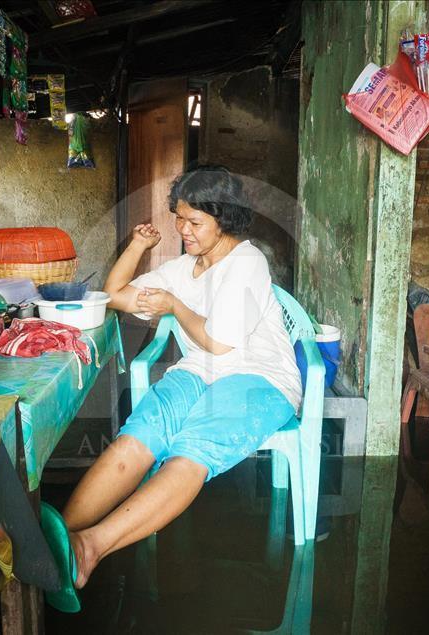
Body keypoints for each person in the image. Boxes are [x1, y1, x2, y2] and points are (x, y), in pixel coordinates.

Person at [44, 165, 302, 612]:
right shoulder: (183, 268)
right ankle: (57, 541)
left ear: (226, 219)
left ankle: (91, 547)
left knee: (190, 449)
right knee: (139, 435)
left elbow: (219, 342)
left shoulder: (247, 262)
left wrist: (175, 307)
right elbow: (116, 294)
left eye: (195, 222)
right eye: (179, 218)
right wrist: (139, 246)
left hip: (258, 378)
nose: (183, 229)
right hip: (199, 371)